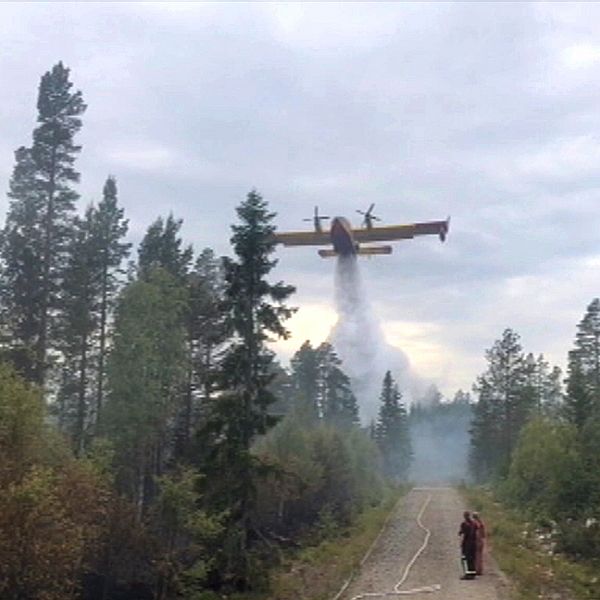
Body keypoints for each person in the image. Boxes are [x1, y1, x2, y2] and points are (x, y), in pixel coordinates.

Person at [458, 511, 477, 580]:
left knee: (466, 559)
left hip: (467, 544)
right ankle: (473, 574)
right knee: (472, 559)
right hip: (474, 544)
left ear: (464, 516)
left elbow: (462, 534)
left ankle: (467, 574)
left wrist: (461, 543)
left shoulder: (464, 524)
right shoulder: (474, 523)